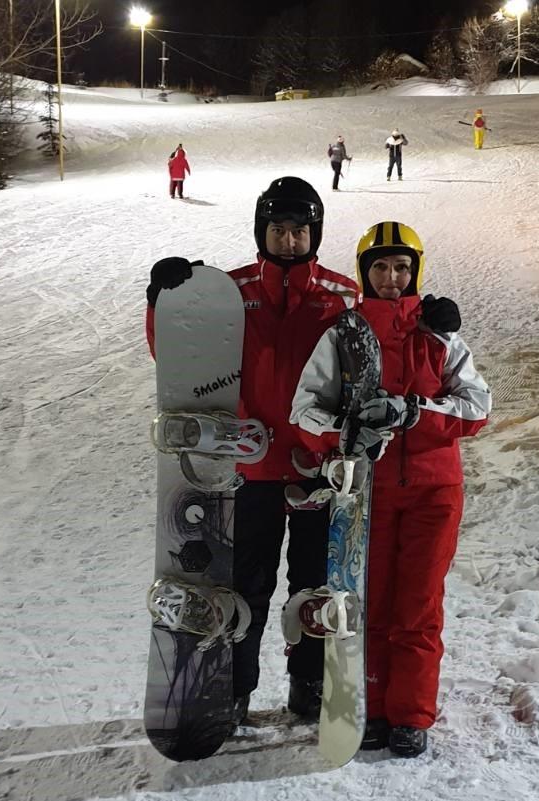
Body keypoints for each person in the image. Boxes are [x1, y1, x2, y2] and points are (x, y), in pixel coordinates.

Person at [145, 177, 360, 724]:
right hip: (248, 469)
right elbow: (179, 358)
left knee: (314, 584)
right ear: (262, 230)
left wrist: (423, 321)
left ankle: (309, 682)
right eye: (278, 230)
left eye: (300, 231)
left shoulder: (342, 297)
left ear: (315, 234)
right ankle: (234, 686)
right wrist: (163, 302)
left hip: (318, 469)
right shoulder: (229, 293)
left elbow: (376, 363)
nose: (289, 241)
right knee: (246, 586)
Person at [290, 221, 491, 758]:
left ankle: (411, 714)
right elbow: (303, 410)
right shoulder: (344, 334)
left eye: (403, 267)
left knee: (418, 605)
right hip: (366, 492)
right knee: (370, 603)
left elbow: (476, 407)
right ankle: (374, 706)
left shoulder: (439, 335)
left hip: (433, 491)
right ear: (364, 272)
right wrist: (345, 432)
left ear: (416, 271)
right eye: (380, 267)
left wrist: (414, 412)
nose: (392, 277)